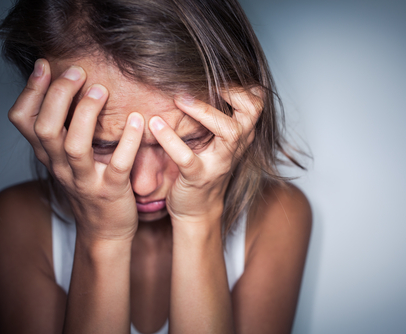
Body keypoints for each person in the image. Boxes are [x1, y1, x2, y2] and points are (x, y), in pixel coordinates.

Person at [0, 0, 312, 333]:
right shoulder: (16, 221)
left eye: (190, 140)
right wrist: (102, 236)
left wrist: (198, 219)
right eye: (102, 144)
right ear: (47, 121)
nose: (144, 184)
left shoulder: (277, 215)